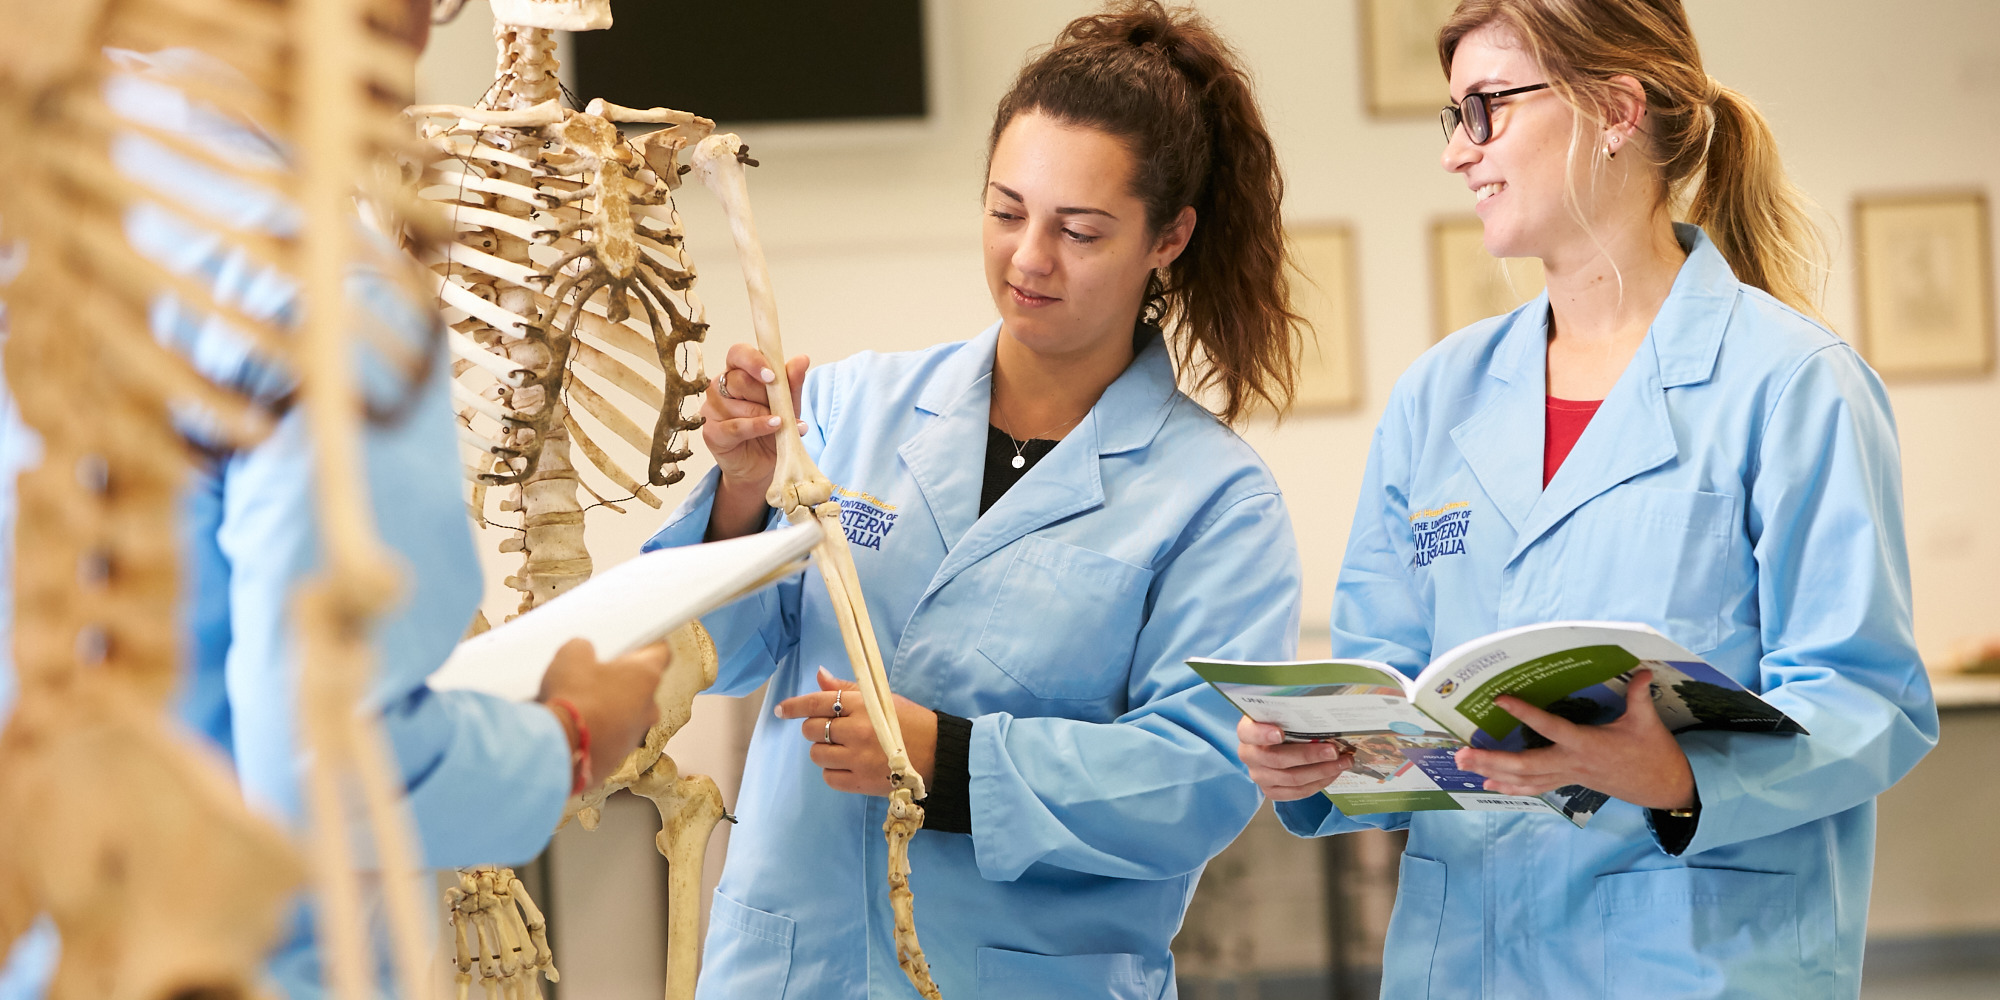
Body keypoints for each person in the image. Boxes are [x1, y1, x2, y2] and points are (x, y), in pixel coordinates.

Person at [1237, 2, 1937, 996]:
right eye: (1454, 118)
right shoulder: (1436, 397)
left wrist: (1677, 778)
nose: (1456, 154)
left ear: (1612, 108)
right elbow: (1393, 691)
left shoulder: (1790, 385)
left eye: (1484, 109)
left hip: (1691, 961)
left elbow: (1870, 699)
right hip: (1462, 962)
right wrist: (1317, 757)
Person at [0, 2, 666, 996]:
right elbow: (325, 761)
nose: (422, 29)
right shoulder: (325, 290)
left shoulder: (51, 176)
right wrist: (568, 738)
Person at [645, 3, 1302, 995]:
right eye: (1004, 212)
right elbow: (712, 658)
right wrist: (741, 492)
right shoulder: (849, 407)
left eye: (1078, 231)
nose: (1028, 258)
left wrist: (948, 760)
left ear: (1167, 237)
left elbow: (1199, 781)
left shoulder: (1213, 501)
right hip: (791, 966)